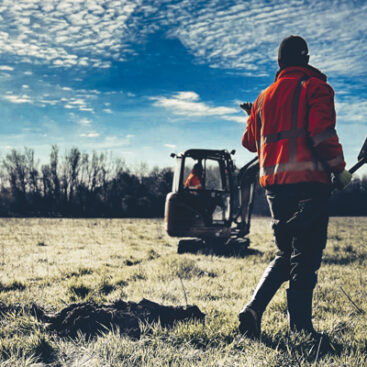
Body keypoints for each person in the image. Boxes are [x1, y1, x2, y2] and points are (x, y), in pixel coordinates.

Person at [239, 35, 352, 339]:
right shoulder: (316, 88)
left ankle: (252, 308)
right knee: (306, 256)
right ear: (306, 59)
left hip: (275, 189)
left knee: (285, 252)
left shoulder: (263, 98)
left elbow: (250, 143)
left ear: (279, 62)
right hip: (309, 187)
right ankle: (301, 329)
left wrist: (254, 115)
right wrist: (339, 169)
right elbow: (322, 134)